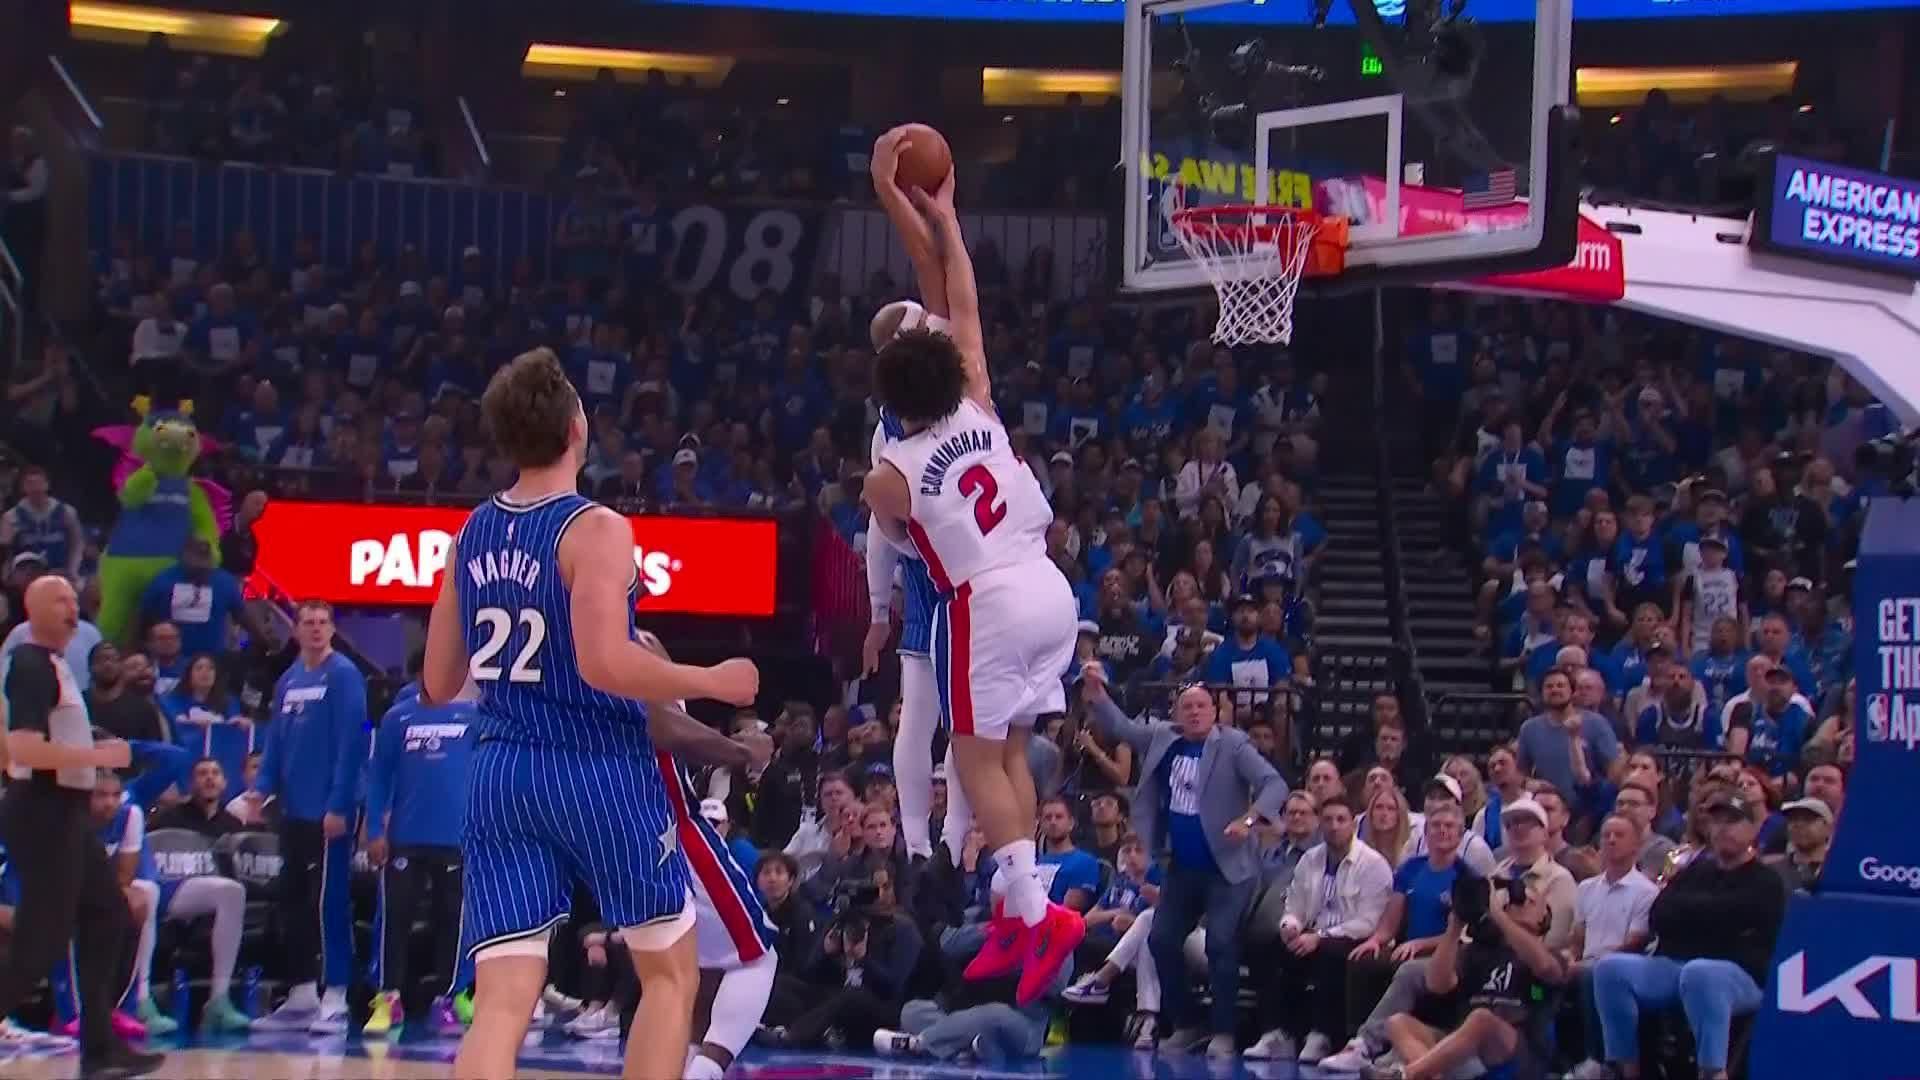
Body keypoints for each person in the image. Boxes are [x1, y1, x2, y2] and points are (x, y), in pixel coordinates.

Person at [419, 347, 759, 1080]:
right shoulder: (595, 528)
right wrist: (710, 677)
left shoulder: (470, 533)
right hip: (595, 765)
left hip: (502, 772)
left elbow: (438, 683)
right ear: (578, 427)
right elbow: (606, 663)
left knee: (503, 999)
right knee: (670, 975)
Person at [860, 133, 1081, 1007]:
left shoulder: (889, 470)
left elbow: (888, 527)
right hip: (1049, 587)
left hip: (983, 603)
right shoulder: (980, 398)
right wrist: (939, 212)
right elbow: (958, 292)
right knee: (1012, 749)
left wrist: (893, 194)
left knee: (970, 756)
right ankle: (1019, 911)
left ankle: (1036, 912)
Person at [0, 575, 163, 1077]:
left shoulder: (56, 664)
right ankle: (97, 1047)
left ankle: (99, 1048)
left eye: (74, 599)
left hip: (66, 811)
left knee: (107, 913)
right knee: (40, 941)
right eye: (60, 601)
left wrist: (92, 747)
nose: (73, 608)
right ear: (34, 610)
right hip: (42, 809)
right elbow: (22, 748)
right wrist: (97, 756)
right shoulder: (29, 664)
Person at [1082, 667, 1286, 1056]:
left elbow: (1274, 784)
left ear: (1215, 712)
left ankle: (1224, 1031)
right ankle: (1188, 1023)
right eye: (1187, 706)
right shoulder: (1164, 737)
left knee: (1221, 944)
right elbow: (1123, 729)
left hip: (1228, 870)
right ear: (1176, 713)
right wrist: (1098, 693)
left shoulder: (1234, 745)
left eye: (1201, 706)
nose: (1194, 712)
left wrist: (1248, 819)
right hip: (1181, 866)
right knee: (1161, 940)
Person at [859, 188, 953, 864]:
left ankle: (951, 837)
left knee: (965, 719)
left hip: (970, 569)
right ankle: (921, 843)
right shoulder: (887, 433)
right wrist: (876, 610)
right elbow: (879, 528)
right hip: (934, 574)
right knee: (926, 715)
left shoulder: (955, 398)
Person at [1591, 789, 1786, 1080]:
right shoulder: (1695, 871)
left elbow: (1742, 921)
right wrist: (1716, 918)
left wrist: (1694, 916)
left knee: (1701, 973)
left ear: (1753, 828)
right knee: (1610, 969)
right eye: (1717, 821)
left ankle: (1712, 1072)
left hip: (1741, 975)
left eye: (1732, 821)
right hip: (1677, 965)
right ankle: (1623, 1067)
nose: (1723, 829)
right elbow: (1660, 914)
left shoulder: (1766, 880)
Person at [244, 599, 369, 1034]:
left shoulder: (345, 676)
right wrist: (261, 790)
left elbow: (352, 745)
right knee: (293, 900)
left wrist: (340, 805)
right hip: (293, 811)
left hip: (329, 811)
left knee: (328, 901)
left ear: (332, 629)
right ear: (295, 631)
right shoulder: (288, 681)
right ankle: (300, 993)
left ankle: (336, 993)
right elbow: (275, 742)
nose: (316, 629)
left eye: (322, 622)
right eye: (308, 622)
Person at [361, 675, 479, 1036]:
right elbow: (378, 778)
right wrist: (375, 830)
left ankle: (451, 997)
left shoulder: (473, 716)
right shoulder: (397, 717)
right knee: (394, 918)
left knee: (453, 919)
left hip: (456, 836)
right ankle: (388, 998)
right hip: (405, 837)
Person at [1380, 866, 1569, 1080]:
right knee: (1398, 1022)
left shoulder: (1551, 955)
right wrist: (1455, 926)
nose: (1521, 904)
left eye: (1531, 901)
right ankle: (1430, 1075)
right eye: (1518, 899)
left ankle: (1407, 1074)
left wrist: (1498, 915)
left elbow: (1546, 968)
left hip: (1519, 1051)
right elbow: (1436, 984)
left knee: (1481, 1019)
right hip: (1464, 1047)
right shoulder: (1478, 950)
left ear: (1545, 915)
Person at [1245, 793, 1393, 1064]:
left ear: (1353, 824)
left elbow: (1368, 922)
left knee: (1329, 953)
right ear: (1320, 824)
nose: (1334, 826)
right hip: (1313, 933)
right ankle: (1279, 1033)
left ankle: (1321, 1035)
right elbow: (1294, 904)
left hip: (1354, 937)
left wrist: (1320, 937)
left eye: (1341, 820)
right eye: (1328, 820)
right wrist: (1290, 926)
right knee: (1269, 945)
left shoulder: (1373, 864)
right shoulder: (1310, 859)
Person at [1565, 814, 1658, 1078]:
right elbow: (1577, 936)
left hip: (1622, 969)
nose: (1611, 840)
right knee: (1542, 973)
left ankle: (1599, 1059)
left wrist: (1589, 964)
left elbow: (1635, 943)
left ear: (1636, 845)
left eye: (1619, 835)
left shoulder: (1646, 892)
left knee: (1593, 974)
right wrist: (1570, 959)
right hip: (1584, 962)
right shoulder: (1586, 888)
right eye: (1606, 835)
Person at [1763, 796, 1831, 893]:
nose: (1799, 825)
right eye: (1793, 819)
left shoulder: (1840, 871)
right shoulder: (1771, 872)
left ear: (1828, 827)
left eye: (1808, 819)